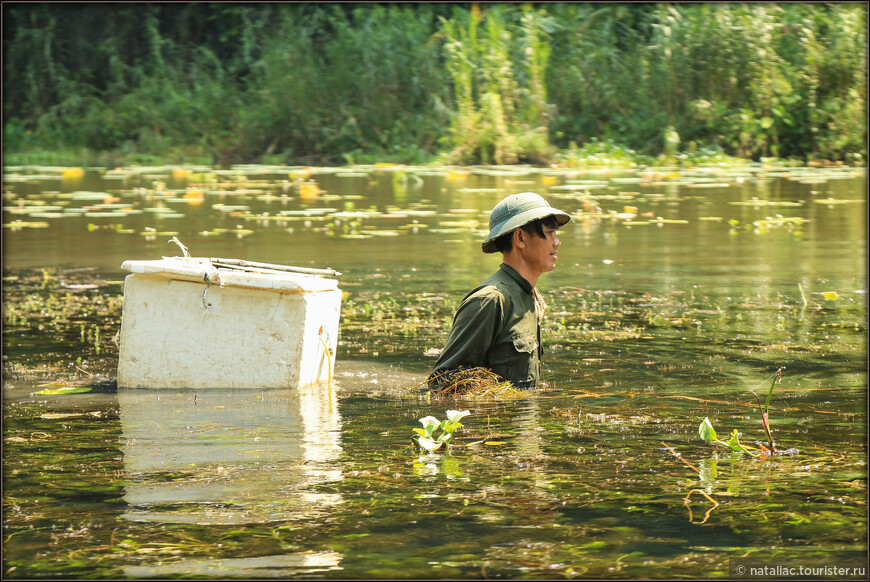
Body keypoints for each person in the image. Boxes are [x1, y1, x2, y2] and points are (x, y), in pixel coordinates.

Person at [428, 192, 571, 390]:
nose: (557, 242)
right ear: (520, 238)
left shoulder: (531, 296)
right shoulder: (491, 300)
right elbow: (442, 383)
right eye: (549, 232)